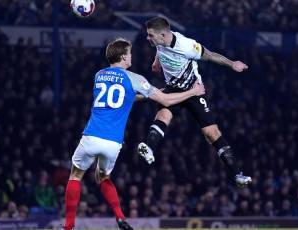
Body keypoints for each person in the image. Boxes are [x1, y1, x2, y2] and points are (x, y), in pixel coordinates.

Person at [63, 38, 205, 230]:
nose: (131, 56)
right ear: (123, 56)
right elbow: (166, 100)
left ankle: (69, 226)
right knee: (103, 178)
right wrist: (193, 91)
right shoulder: (135, 79)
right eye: (129, 53)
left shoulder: (99, 75)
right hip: (113, 143)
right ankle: (120, 218)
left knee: (75, 176)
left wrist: (146, 95)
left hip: (91, 136)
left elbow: (122, 96)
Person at [137, 17, 252, 187]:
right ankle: (148, 148)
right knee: (163, 115)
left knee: (211, 134)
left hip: (194, 91)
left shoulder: (187, 46)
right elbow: (160, 49)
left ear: (162, 35)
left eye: (150, 35)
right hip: (173, 88)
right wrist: (156, 61)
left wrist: (232, 63)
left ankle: (237, 174)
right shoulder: (160, 42)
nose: (147, 38)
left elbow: (210, 55)